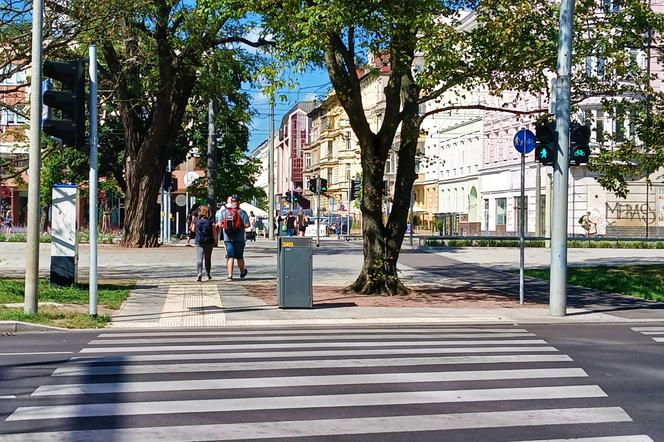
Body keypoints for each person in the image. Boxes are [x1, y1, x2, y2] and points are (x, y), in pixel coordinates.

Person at [216, 195, 250, 281]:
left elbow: (219, 224)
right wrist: (240, 225)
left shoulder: (224, 212)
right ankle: (242, 272)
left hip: (228, 238)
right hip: (240, 238)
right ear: (239, 202)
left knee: (230, 256)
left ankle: (230, 276)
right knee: (239, 257)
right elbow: (247, 225)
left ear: (231, 202)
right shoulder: (243, 212)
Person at [190, 205, 215, 281]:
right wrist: (215, 239)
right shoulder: (211, 219)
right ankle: (207, 274)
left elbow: (193, 230)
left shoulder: (197, 219)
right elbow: (214, 231)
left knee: (199, 258)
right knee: (207, 258)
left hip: (199, 241)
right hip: (209, 241)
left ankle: (199, 273)